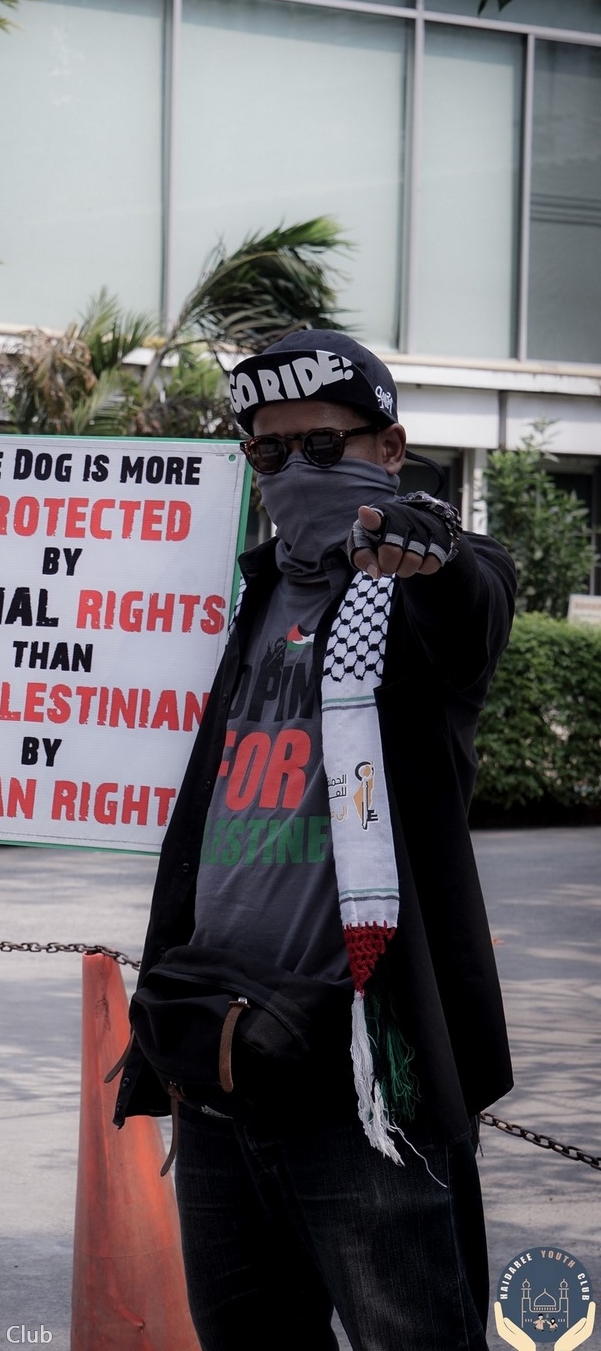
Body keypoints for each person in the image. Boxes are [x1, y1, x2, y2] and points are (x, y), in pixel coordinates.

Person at [111, 330, 517, 1351]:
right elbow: (82, 648)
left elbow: (472, 597)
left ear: (392, 448)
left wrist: (431, 545)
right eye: (270, 450)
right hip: (214, 1059)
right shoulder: (234, 595)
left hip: (364, 1084)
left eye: (325, 446)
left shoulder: (415, 593)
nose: (297, 470)